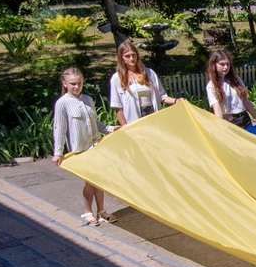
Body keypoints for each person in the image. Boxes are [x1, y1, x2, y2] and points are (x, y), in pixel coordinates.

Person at [53, 67, 113, 225]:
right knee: (90, 181)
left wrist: (110, 129)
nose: (76, 87)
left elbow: (96, 122)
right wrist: (58, 152)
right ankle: (88, 212)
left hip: (95, 146)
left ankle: (101, 211)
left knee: (98, 180)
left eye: (79, 83)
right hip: (80, 150)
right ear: (65, 84)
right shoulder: (62, 103)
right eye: (72, 84)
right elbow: (59, 128)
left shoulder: (87, 99)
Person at [108, 39, 178, 125]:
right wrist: (125, 127)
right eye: (127, 56)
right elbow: (118, 107)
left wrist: (176, 101)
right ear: (121, 58)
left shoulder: (149, 73)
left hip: (154, 121)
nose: (132, 58)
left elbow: (162, 96)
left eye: (133, 55)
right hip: (134, 124)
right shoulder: (117, 78)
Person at [205, 49, 256, 128]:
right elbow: (217, 110)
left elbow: (246, 102)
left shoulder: (236, 79)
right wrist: (221, 128)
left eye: (228, 64)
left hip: (245, 119)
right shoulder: (211, 86)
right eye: (222, 64)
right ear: (214, 65)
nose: (226, 67)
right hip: (229, 123)